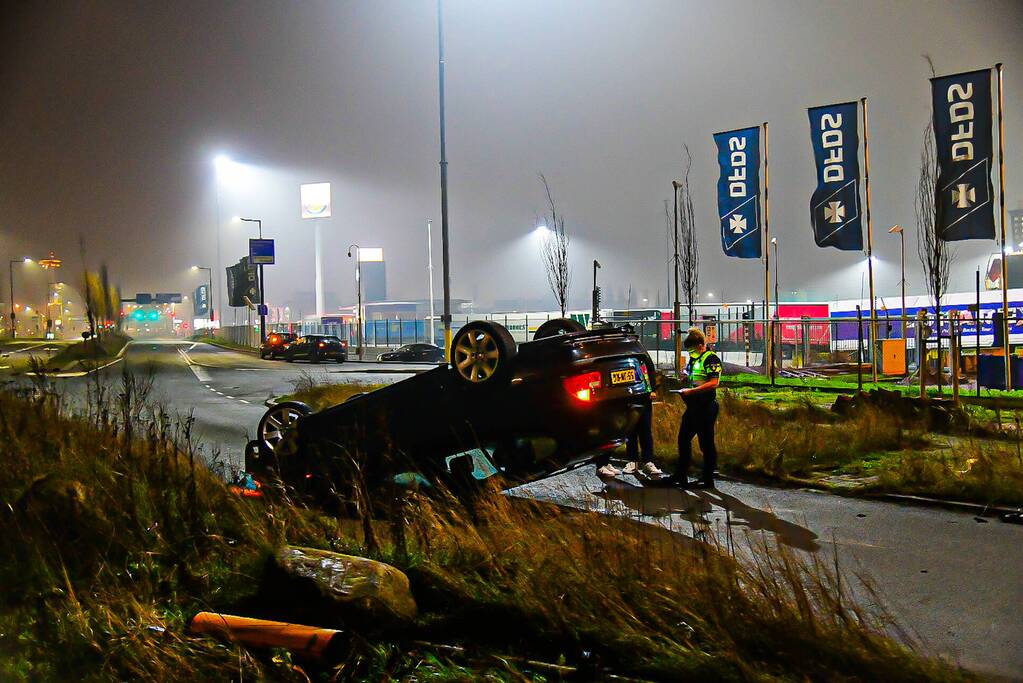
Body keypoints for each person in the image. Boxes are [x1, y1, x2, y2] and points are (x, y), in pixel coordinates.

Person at [672, 327, 721, 488]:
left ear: (701, 345)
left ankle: (708, 479)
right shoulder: (695, 359)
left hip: (706, 406)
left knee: (705, 443)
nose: (690, 354)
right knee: (683, 438)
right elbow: (691, 374)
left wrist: (692, 390)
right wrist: (685, 376)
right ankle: (681, 474)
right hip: (693, 406)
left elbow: (714, 382)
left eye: (692, 350)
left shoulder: (711, 358)